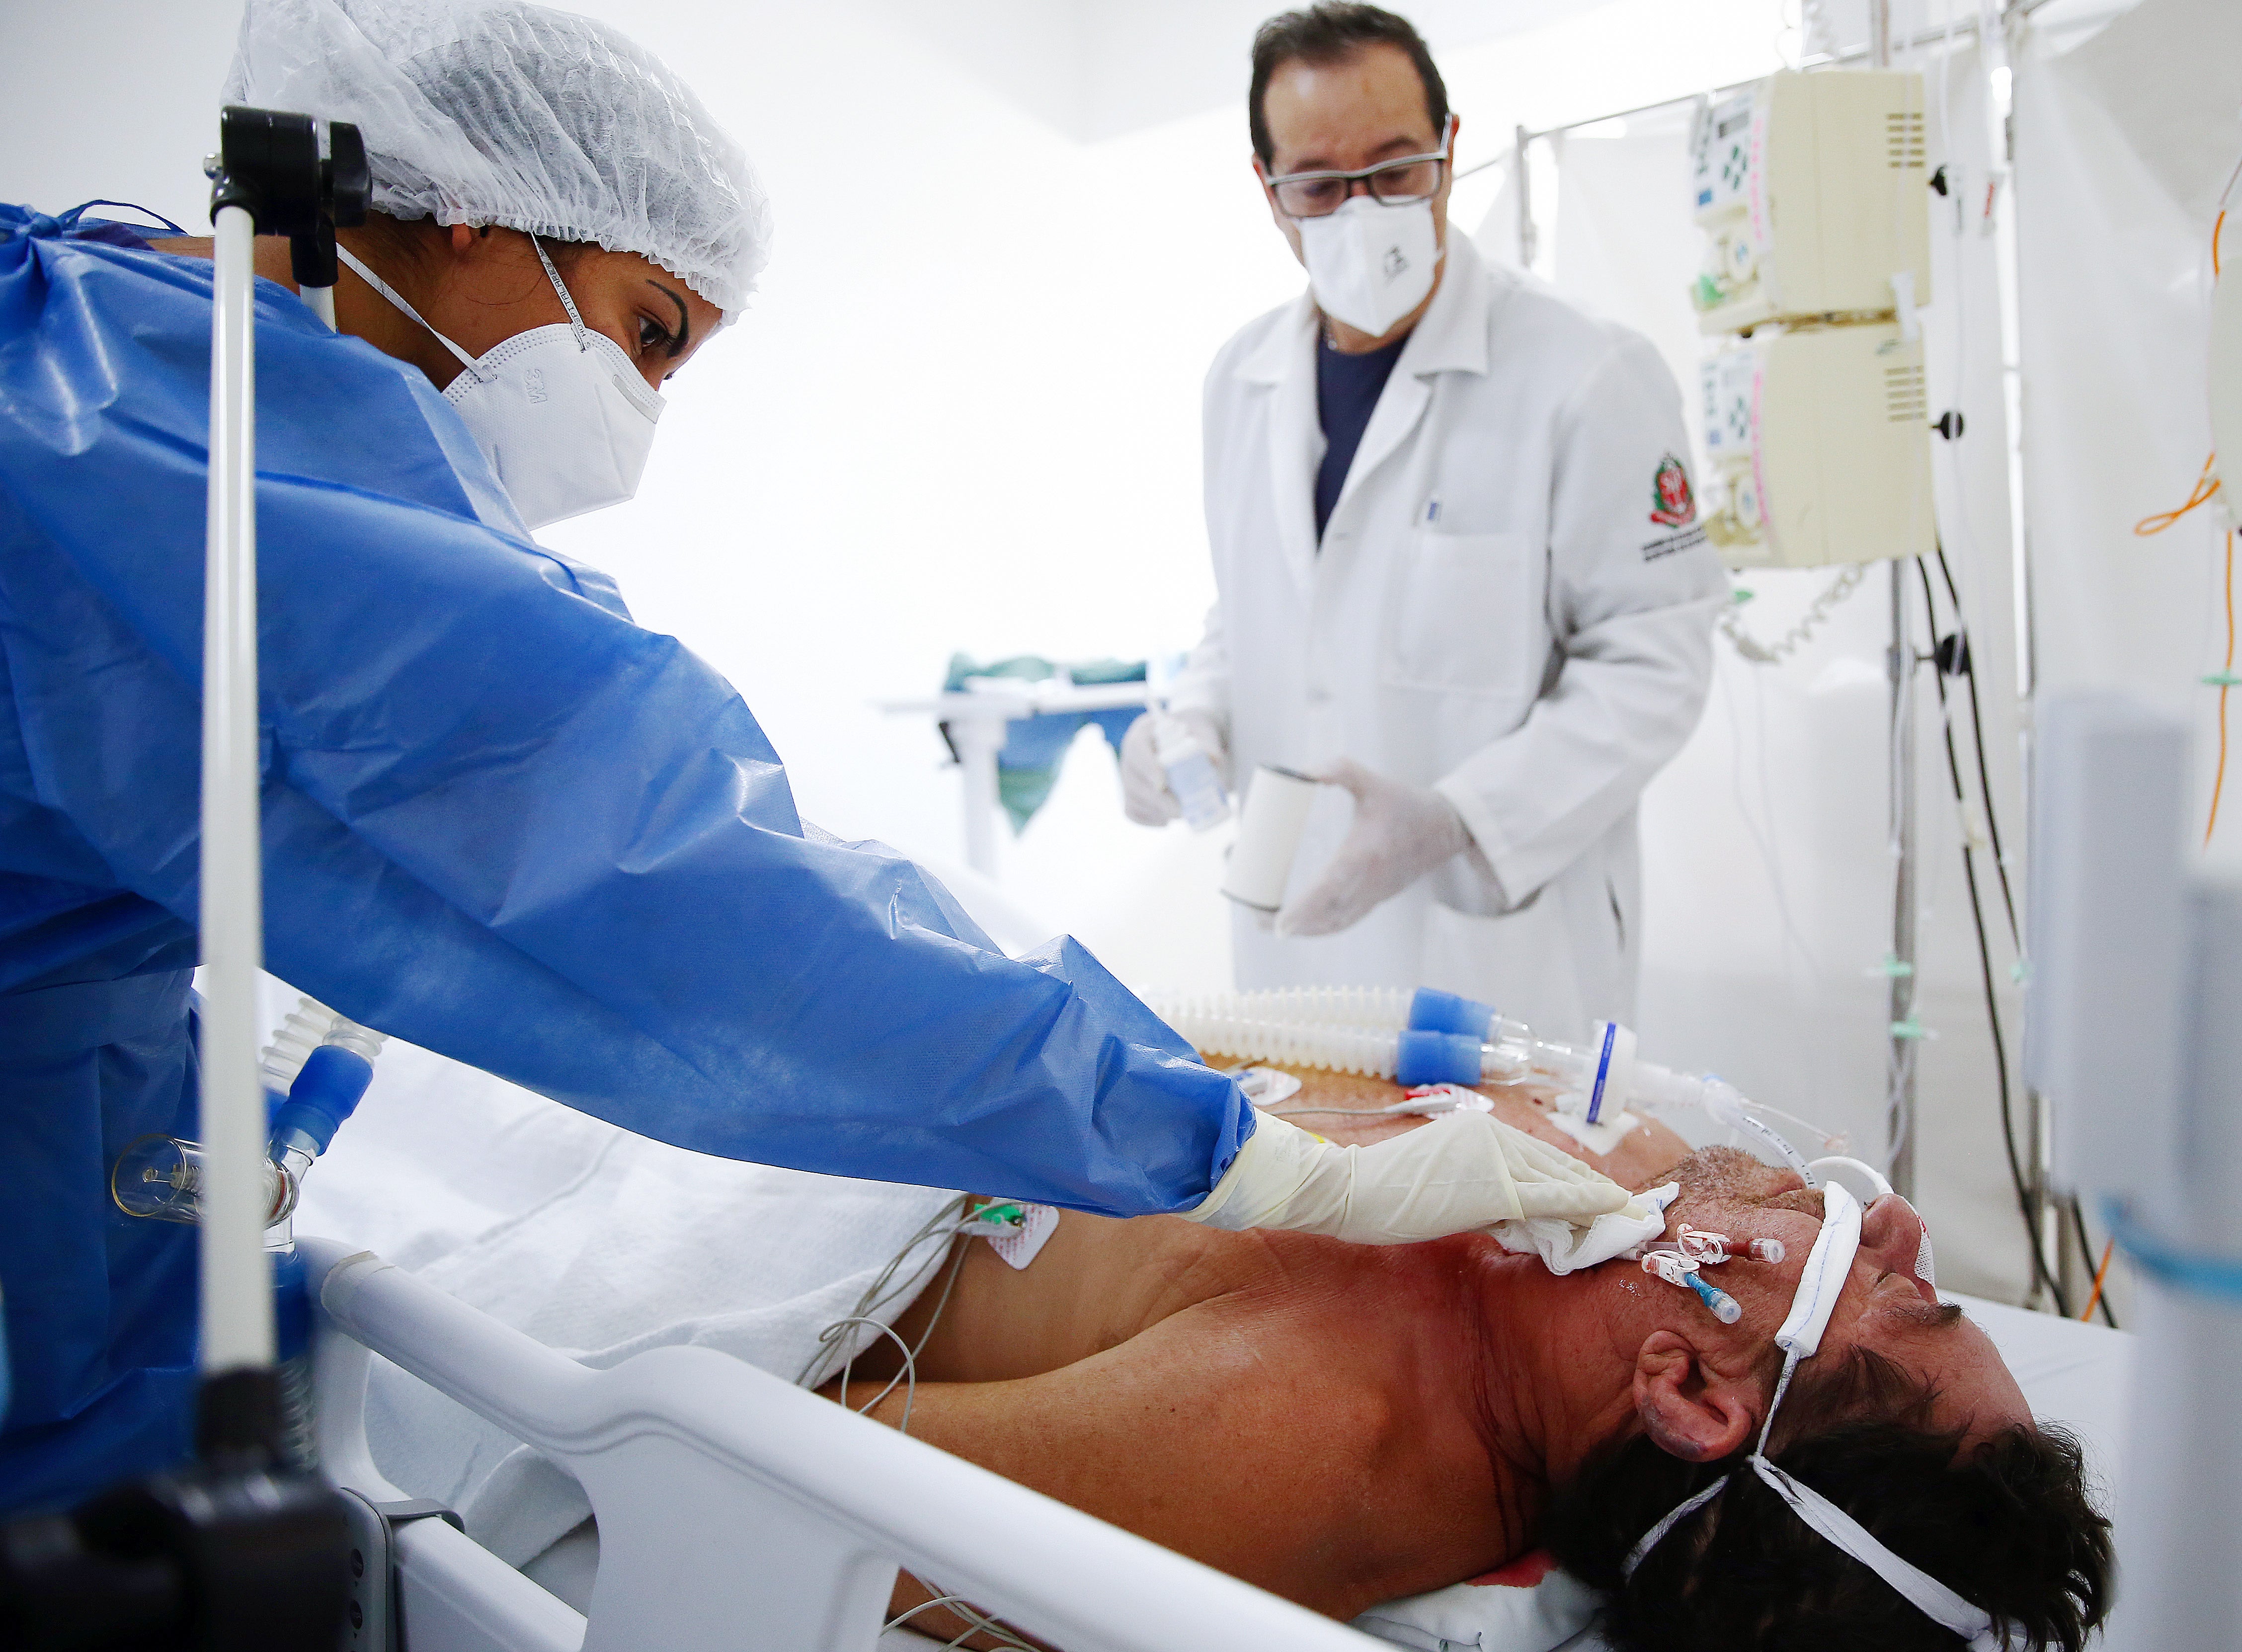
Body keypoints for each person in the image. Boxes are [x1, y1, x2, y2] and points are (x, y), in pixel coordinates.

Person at [0, 0, 1635, 1513]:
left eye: (1391, 169)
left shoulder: (95, 337)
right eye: (647, 334)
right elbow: (680, 883)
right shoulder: (197, 479)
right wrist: (1221, 1138)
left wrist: (1434, 839)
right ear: (466, 204)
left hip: (1495, 899)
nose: (638, 409)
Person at [836, 1098, 2111, 1647]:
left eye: (1893, 1295)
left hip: (782, 1183)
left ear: (1692, 1395)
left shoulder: (1313, 1437)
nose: (1889, 1227)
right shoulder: (1627, 1190)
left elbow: (758, 1477)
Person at [1119, 4, 1728, 1039]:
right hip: (1293, 957)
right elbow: (1259, 609)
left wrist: (1458, 819)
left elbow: (1654, 657)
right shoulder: (1240, 378)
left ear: (1450, 150)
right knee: (1304, 1190)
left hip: (1494, 955)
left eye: (1396, 170)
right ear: (1267, 194)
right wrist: (1193, 718)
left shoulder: (1586, 373)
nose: (1362, 215)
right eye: (1318, 184)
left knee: (1506, 1198)